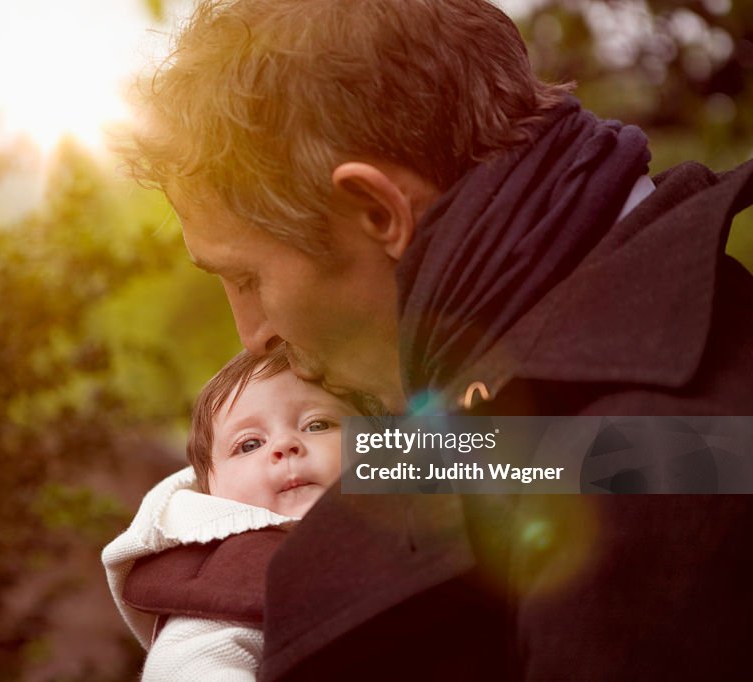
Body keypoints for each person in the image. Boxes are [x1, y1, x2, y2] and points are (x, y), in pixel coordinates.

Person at [120, 0, 753, 679]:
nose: (254, 336)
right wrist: (193, 520)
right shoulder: (596, 363)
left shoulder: (650, 472)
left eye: (247, 276)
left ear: (377, 211)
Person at [102, 346, 366, 680]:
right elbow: (185, 667)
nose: (285, 445)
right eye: (249, 445)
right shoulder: (227, 582)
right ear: (209, 491)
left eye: (317, 424)